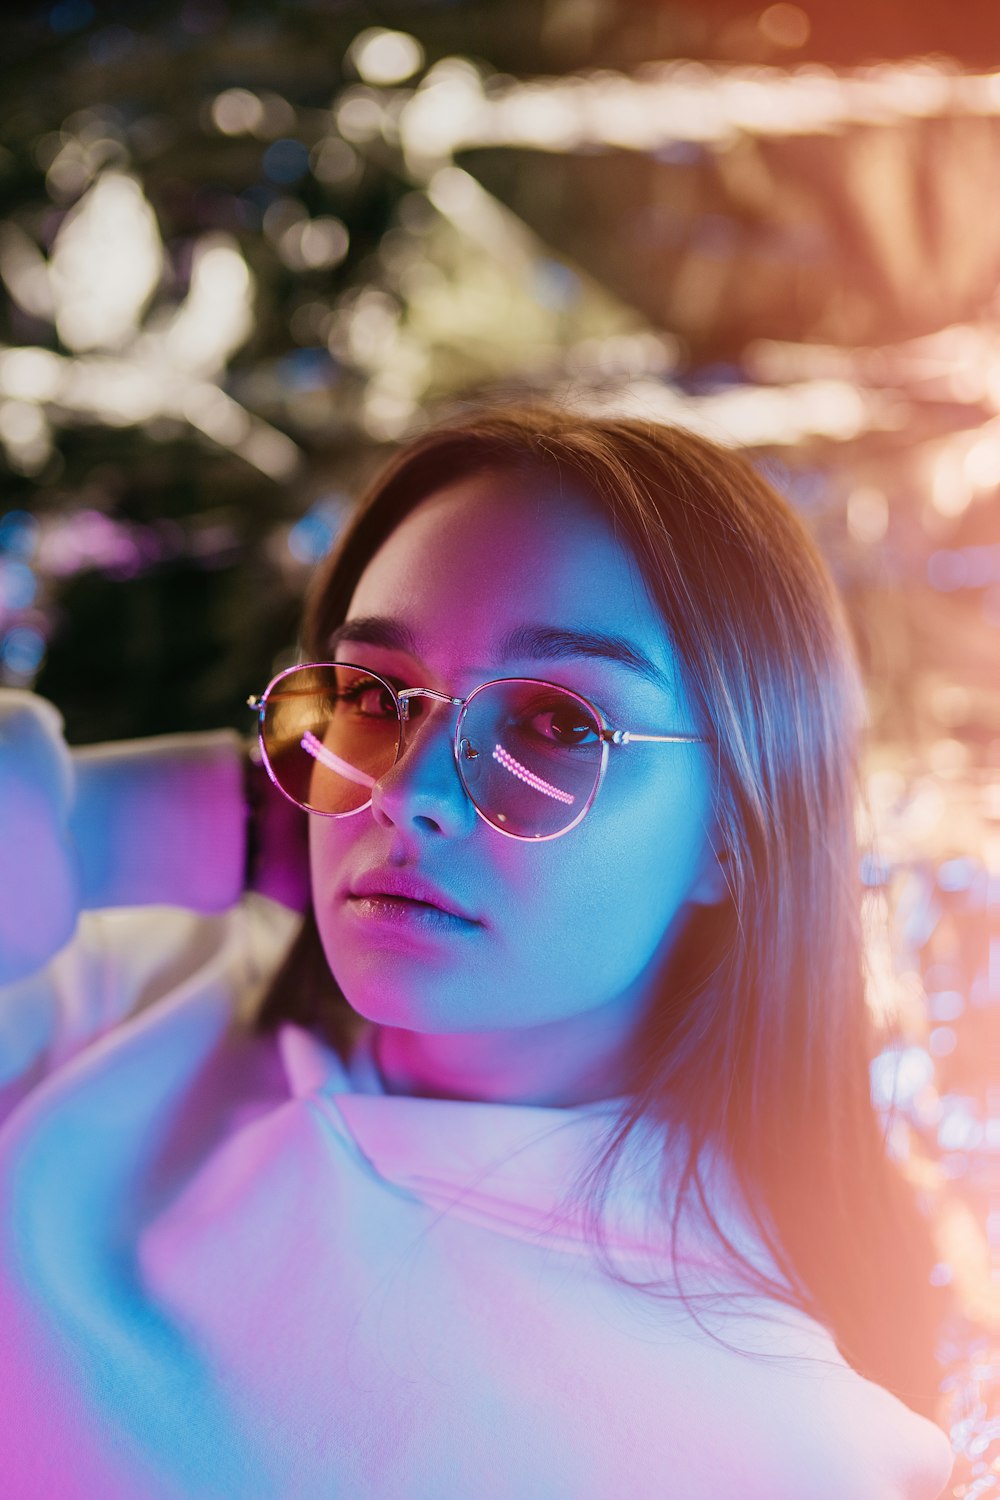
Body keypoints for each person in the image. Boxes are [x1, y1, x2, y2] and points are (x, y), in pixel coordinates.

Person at [0, 403, 955, 1498]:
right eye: (368, 695)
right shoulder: (119, 994)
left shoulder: (774, 1451)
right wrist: (123, 827)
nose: (407, 793)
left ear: (735, 829)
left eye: (555, 726)